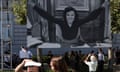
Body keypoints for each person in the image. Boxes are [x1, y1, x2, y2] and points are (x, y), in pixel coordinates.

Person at [28, 1, 105, 44]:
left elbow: (91, 17)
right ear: (65, 16)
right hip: (63, 42)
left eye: (72, 15)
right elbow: (48, 16)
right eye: (68, 15)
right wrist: (34, 6)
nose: (70, 17)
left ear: (75, 16)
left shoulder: (77, 23)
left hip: (75, 42)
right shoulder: (61, 23)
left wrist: (102, 7)